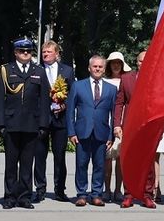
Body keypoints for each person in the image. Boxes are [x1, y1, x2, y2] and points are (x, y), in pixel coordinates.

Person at [0, 38, 51, 209]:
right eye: (22, 51)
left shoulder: (39, 71)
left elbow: (44, 101)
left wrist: (43, 125)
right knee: (11, 164)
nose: (25, 54)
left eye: (28, 51)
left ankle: (25, 196)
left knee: (27, 164)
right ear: (16, 52)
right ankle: (10, 197)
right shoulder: (5, 70)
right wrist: (0, 125)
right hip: (11, 124)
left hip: (31, 125)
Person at [66, 55, 117, 207]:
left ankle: (96, 194)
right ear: (89, 68)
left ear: (104, 68)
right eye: (95, 66)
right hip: (82, 133)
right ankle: (81, 194)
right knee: (81, 164)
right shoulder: (78, 86)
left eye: (100, 67)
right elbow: (70, 111)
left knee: (100, 165)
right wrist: (71, 132)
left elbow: (114, 115)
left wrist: (111, 136)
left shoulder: (112, 89)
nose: (97, 69)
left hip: (102, 133)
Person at [114, 49, 157, 208]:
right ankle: (129, 194)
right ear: (136, 63)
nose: (143, 63)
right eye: (140, 61)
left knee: (148, 163)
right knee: (129, 161)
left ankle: (147, 194)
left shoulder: (156, 78)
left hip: (148, 126)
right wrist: (117, 124)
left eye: (146, 60)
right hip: (130, 126)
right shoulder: (126, 79)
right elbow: (119, 103)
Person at [39, 40, 75, 202]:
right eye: (43, 52)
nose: (45, 55)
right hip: (42, 119)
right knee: (40, 155)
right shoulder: (37, 70)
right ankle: (40, 189)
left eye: (48, 52)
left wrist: (65, 106)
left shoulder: (67, 71)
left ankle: (60, 190)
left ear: (57, 54)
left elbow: (73, 95)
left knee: (60, 156)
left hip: (60, 120)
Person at [102, 51, 130, 202]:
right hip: (106, 122)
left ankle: (118, 190)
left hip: (122, 123)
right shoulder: (104, 81)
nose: (116, 65)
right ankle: (106, 189)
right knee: (107, 158)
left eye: (118, 62)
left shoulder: (127, 81)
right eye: (113, 63)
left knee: (119, 158)